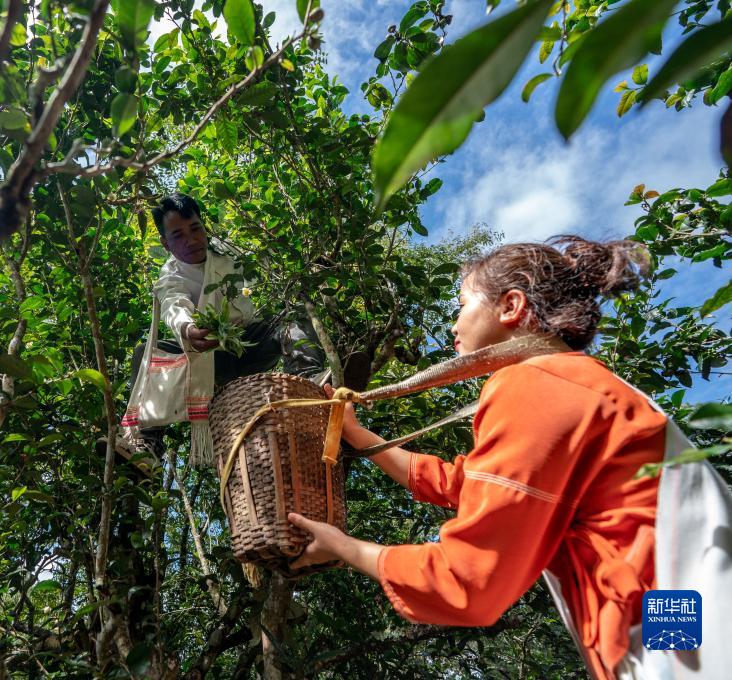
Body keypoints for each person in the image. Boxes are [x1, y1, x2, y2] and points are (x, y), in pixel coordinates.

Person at [288, 236, 665, 680]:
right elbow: (461, 485)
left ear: (511, 306)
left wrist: (344, 547)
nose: (454, 326)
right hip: (682, 620)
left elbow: (469, 582)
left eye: (462, 305)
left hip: (673, 642)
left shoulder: (536, 385)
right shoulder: (579, 383)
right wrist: (355, 432)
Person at [107, 193, 369, 471]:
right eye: (178, 236)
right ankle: (146, 446)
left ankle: (310, 383)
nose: (191, 240)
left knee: (292, 311)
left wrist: (311, 266)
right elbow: (174, 305)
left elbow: (271, 261)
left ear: (204, 226)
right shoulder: (170, 276)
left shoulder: (229, 249)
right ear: (165, 243)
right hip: (207, 357)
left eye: (195, 229)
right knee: (146, 353)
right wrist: (188, 329)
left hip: (251, 344)